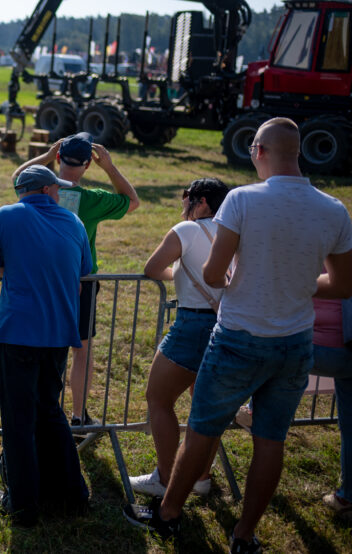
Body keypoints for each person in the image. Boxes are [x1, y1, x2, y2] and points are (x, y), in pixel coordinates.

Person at [124, 118, 352, 554]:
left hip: (239, 337)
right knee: (271, 439)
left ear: (258, 151)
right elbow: (342, 285)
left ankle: (168, 515)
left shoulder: (243, 200)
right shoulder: (334, 208)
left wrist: (244, 277)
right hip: (296, 341)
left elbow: (213, 273)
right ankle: (244, 536)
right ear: (298, 152)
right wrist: (298, 282)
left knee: (202, 430)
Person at [0, 164, 92, 526]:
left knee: (18, 421)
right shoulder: (74, 223)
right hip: (59, 333)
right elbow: (81, 274)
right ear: (45, 189)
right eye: (57, 188)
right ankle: (73, 493)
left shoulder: (7, 215)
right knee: (49, 410)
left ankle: (24, 505)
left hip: (17, 332)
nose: (60, 193)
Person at [13, 132, 139, 433]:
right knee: (81, 349)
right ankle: (79, 415)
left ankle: (42, 410)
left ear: (59, 158)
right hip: (79, 280)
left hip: (40, 280)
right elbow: (132, 201)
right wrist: (110, 167)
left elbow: (18, 176)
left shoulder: (36, 191)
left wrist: (44, 158)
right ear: (88, 166)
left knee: (42, 344)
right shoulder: (93, 199)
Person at [129, 178, 231, 499]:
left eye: (186, 196)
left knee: (158, 398)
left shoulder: (186, 230)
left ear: (201, 202)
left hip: (191, 325)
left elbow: (152, 267)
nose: (182, 203)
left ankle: (164, 477)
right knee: (207, 406)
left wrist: (177, 275)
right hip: (226, 324)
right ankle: (201, 477)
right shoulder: (233, 233)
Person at [310, 293, 352, 521]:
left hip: (319, 346)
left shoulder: (326, 256)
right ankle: (347, 497)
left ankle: (253, 409)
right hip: (347, 348)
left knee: (279, 358)